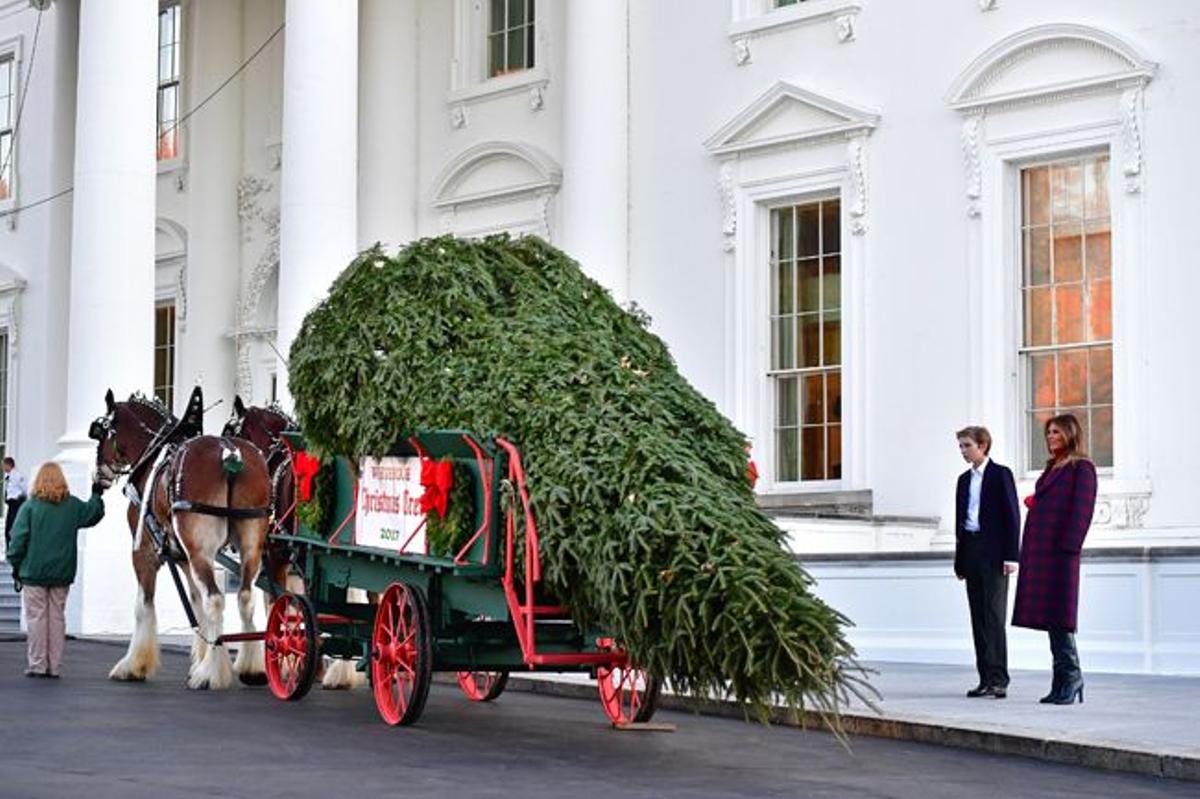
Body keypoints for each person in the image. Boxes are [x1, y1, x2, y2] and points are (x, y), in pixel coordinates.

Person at [1012, 414, 1098, 706]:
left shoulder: (1081, 467)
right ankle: (1062, 679)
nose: (1050, 437)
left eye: (1056, 432)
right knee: (1050, 616)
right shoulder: (1052, 467)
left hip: (1061, 552)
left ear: (1070, 434)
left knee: (1060, 615)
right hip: (1041, 551)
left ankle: (1071, 676)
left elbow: (1082, 509)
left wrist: (1070, 546)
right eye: (1048, 432)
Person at [5, 462, 110, 678]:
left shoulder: (29, 507)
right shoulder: (71, 506)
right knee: (57, 618)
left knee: (37, 619)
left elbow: (17, 541)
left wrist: (15, 564)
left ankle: (38, 664)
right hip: (62, 573)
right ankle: (55, 666)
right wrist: (96, 493)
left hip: (33, 573)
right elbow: (93, 513)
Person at [954, 426, 1020, 699]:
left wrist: (1011, 556)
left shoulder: (1000, 474)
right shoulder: (963, 480)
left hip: (994, 554)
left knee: (994, 616)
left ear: (982, 445)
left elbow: (1012, 516)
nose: (963, 450)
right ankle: (984, 679)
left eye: (967, 445)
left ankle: (999, 678)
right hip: (971, 550)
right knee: (978, 618)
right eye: (960, 446)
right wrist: (959, 560)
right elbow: (961, 520)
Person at [4, 456, 29, 553]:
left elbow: (24, 489)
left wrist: (20, 499)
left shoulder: (18, 476)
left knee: (13, 527)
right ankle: (8, 548)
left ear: (9, 465)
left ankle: (14, 549)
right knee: (8, 528)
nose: (3, 467)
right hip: (11, 504)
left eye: (4, 465)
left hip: (16, 504)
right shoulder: (9, 476)